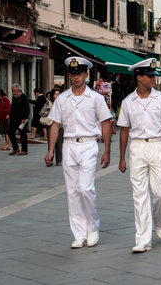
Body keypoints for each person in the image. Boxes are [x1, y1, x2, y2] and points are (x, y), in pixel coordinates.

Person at [45, 57, 112, 248]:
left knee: (85, 188)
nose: (76, 78)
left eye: (79, 74)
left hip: (88, 144)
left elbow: (105, 123)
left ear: (86, 74)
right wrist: (50, 150)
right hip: (68, 145)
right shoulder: (63, 99)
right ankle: (78, 233)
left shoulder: (96, 98)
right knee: (72, 192)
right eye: (73, 74)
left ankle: (92, 227)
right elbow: (55, 124)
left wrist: (107, 150)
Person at [117, 58, 161, 253]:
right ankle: (143, 239)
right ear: (139, 77)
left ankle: (159, 221)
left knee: (159, 194)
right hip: (137, 148)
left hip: (158, 146)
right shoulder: (128, 102)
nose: (153, 78)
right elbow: (124, 130)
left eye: (154, 75)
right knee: (139, 195)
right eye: (150, 76)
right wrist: (122, 157)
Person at [41, 88, 63, 166]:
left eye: (59, 94)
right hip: (50, 125)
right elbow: (41, 113)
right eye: (56, 94)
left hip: (60, 126)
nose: (57, 96)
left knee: (59, 143)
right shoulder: (48, 103)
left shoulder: (62, 103)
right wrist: (48, 112)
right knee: (51, 143)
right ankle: (49, 159)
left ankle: (59, 160)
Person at [8, 84, 30, 156]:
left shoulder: (24, 97)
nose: (13, 92)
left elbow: (27, 109)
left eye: (15, 91)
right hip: (14, 119)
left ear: (19, 90)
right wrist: (10, 118)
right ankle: (15, 148)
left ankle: (24, 150)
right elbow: (12, 108)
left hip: (22, 120)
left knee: (23, 134)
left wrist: (24, 118)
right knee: (10, 132)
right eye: (12, 91)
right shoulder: (14, 98)